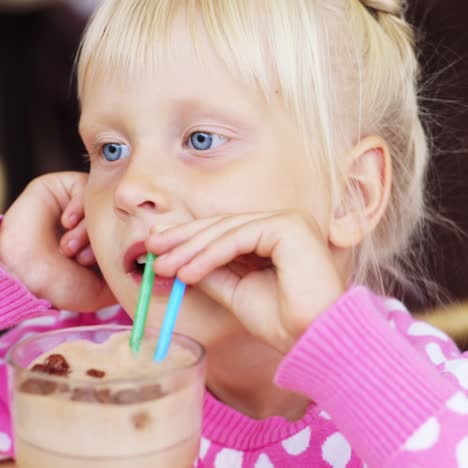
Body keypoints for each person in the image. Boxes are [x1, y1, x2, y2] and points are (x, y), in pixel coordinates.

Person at [1, 0, 468, 466]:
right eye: (111, 148)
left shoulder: (425, 401)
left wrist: (342, 352)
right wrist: (13, 273)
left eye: (201, 139)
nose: (131, 187)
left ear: (350, 194)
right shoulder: (61, 364)